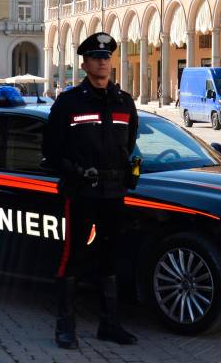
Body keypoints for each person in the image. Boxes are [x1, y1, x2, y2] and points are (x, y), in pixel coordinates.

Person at [42, 32, 139, 350]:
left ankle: (109, 325)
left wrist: (130, 170)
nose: (103, 62)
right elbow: (51, 151)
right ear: (84, 64)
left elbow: (130, 142)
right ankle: (64, 327)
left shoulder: (125, 102)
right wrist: (75, 171)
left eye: (107, 57)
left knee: (110, 258)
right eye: (96, 58)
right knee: (73, 258)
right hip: (81, 193)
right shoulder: (69, 103)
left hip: (113, 194)